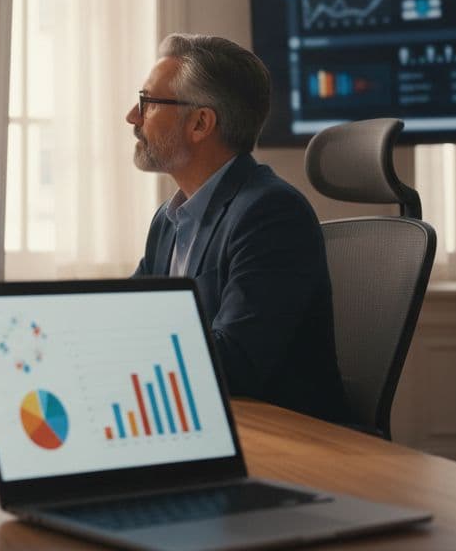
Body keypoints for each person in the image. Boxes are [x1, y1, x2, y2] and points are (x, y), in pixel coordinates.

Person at [128, 33, 348, 422]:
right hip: (200, 419)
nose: (132, 116)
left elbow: (236, 363)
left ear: (200, 123)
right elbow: (121, 315)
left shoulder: (271, 214)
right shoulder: (167, 219)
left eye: (147, 102)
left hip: (284, 439)